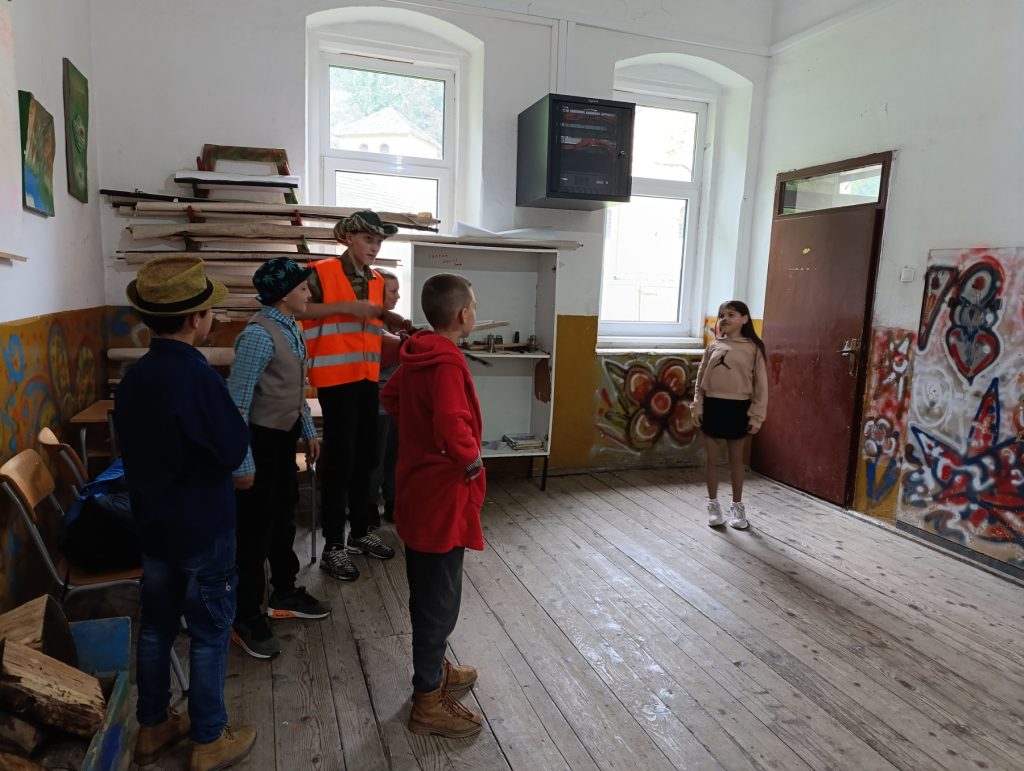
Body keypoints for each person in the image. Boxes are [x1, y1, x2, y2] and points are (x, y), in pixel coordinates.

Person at [115, 255, 256, 770]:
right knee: (209, 631)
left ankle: (152, 726)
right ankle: (208, 738)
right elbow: (232, 448)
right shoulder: (198, 377)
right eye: (209, 311)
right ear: (197, 318)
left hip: (153, 525)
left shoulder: (134, 376)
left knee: (156, 626)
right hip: (203, 527)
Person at [380, 273, 486, 738]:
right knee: (439, 596)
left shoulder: (419, 351)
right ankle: (427, 700)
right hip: (442, 494)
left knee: (429, 587)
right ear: (463, 314)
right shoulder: (445, 361)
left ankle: (434, 667)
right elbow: (451, 420)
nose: (475, 312)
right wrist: (470, 457)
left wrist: (422, 438)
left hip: (419, 489)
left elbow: (390, 397)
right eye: (474, 306)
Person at [227, 257, 331, 660]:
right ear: (285, 294)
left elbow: (294, 389)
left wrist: (308, 432)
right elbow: (237, 404)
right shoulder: (258, 335)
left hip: (283, 439)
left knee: (283, 516)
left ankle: (284, 592)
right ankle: (246, 615)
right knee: (254, 530)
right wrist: (243, 462)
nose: (309, 293)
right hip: (258, 442)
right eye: (303, 288)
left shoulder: (291, 327)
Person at [297, 210, 411, 581]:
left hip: (367, 377)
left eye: (379, 241)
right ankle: (333, 545)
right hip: (334, 379)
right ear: (348, 238)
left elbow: (369, 326)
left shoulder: (376, 280)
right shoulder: (322, 272)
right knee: (340, 460)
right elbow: (299, 308)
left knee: (367, 458)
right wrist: (345, 307)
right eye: (367, 239)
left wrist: (394, 323)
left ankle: (361, 531)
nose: (374, 247)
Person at [691, 300, 768, 530]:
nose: (724, 319)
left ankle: (737, 506)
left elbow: (761, 386)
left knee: (736, 461)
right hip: (712, 406)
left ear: (745, 319)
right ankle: (713, 505)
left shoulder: (754, 348)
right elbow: (700, 379)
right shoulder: (713, 346)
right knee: (712, 460)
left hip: (739, 408)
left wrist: (757, 415)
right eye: (721, 315)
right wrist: (697, 405)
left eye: (731, 314)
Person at [368, 268, 405, 527]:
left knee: (396, 457)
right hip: (377, 404)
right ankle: (369, 508)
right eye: (393, 291)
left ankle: (393, 503)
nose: (397, 296)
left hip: (396, 405)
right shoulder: (372, 324)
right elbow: (386, 351)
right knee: (376, 461)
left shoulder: (392, 321)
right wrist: (406, 342)